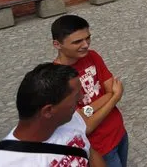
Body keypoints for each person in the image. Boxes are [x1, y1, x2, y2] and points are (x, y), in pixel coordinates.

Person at [0, 62, 106, 166]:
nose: (81, 97)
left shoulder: (68, 118)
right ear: (48, 111)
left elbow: (89, 151)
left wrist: (112, 97)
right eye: (76, 96)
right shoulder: (2, 163)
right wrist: (114, 97)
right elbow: (88, 115)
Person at [51, 14, 128, 167]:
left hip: (119, 132)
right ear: (57, 44)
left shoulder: (92, 56)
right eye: (77, 41)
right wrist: (113, 98)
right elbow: (85, 126)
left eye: (88, 38)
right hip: (99, 147)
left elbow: (110, 90)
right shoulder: (55, 78)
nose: (86, 44)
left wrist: (89, 109)